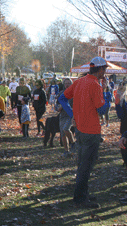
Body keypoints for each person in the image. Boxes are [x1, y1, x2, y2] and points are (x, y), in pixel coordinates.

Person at [59, 57, 108, 209]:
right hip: (91, 131)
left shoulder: (80, 81)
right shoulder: (95, 84)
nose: (105, 72)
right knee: (86, 165)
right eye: (104, 69)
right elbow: (102, 109)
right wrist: (106, 93)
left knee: (82, 163)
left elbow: (62, 98)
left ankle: (82, 193)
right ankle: (80, 198)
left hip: (79, 129)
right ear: (100, 70)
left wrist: (72, 113)